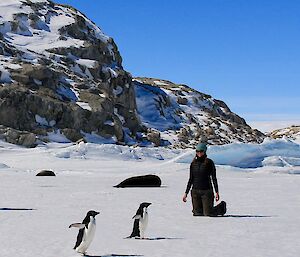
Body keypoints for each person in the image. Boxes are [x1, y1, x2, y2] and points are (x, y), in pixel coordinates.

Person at [182, 143, 219, 216]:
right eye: (197, 151)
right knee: (197, 214)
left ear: (204, 151)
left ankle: (221, 207)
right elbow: (191, 179)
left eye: (201, 151)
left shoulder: (209, 162)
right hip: (195, 192)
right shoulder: (193, 163)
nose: (199, 153)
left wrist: (216, 191)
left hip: (206, 191)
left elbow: (214, 178)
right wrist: (186, 193)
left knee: (208, 214)